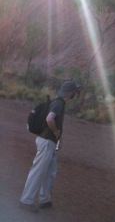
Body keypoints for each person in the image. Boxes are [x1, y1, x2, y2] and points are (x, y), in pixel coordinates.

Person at [19, 80, 81, 213]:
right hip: (46, 141)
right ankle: (26, 200)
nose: (76, 93)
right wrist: (55, 132)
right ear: (70, 93)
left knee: (50, 170)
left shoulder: (59, 103)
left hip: (49, 142)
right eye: (75, 91)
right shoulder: (58, 104)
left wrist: (57, 138)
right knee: (38, 171)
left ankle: (44, 199)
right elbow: (49, 119)